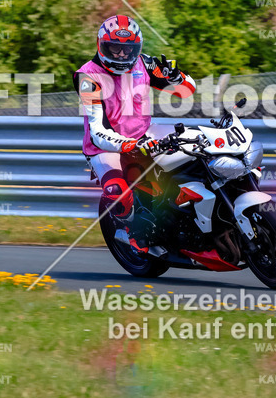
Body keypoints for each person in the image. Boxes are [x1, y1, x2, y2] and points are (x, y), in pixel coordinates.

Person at [72, 14, 196, 251]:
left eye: (127, 50)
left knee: (189, 155)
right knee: (118, 191)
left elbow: (186, 92)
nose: (121, 55)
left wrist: (176, 77)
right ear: (101, 45)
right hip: (104, 147)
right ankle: (130, 232)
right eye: (114, 49)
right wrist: (128, 145)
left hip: (144, 134)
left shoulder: (144, 63)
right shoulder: (87, 76)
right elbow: (98, 131)